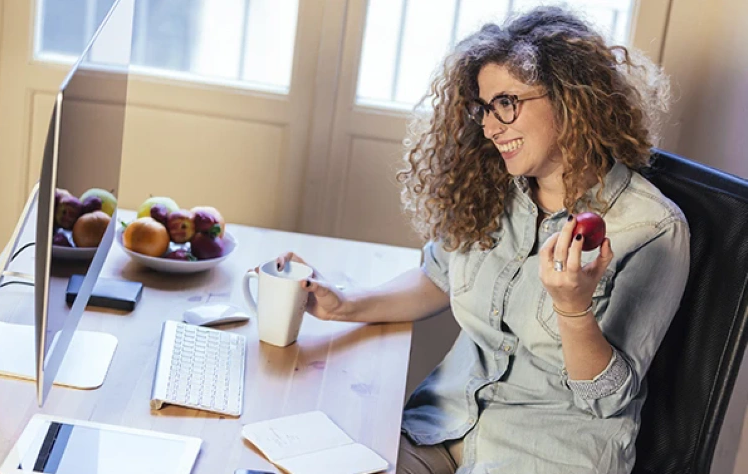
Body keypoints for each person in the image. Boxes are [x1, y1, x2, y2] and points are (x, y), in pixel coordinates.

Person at [265, 6, 690, 474]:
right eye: (485, 108)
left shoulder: (651, 228)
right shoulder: (494, 188)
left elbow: (607, 400)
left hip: (545, 458)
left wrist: (572, 309)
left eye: (506, 103)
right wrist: (344, 304)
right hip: (442, 428)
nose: (490, 127)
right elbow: (439, 276)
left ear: (571, 99)